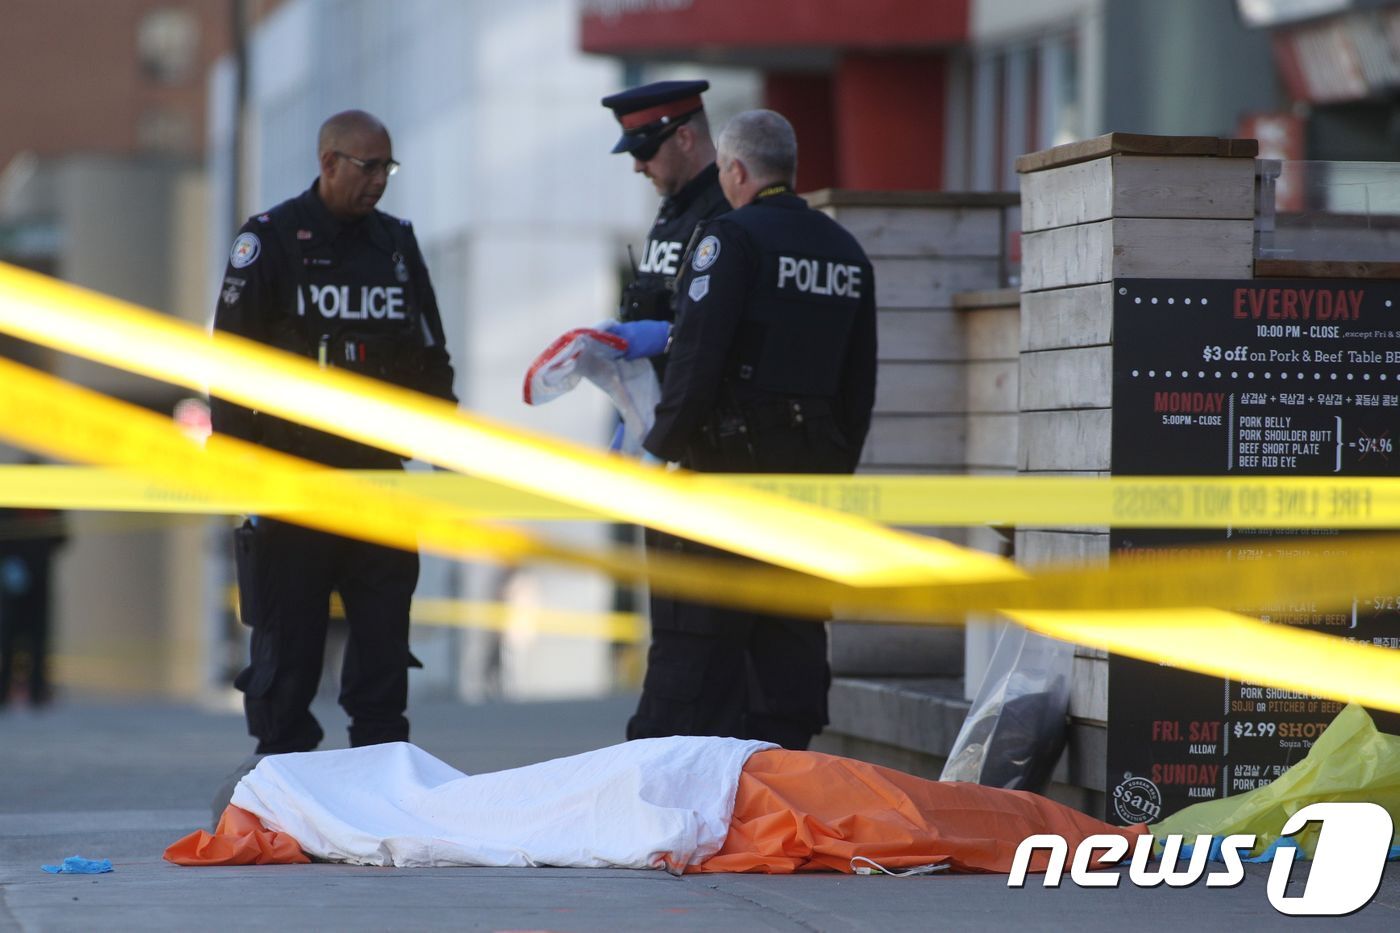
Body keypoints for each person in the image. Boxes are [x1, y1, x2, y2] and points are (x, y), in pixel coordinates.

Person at [209, 110, 457, 759]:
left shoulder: (397, 245)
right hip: (295, 480)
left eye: (387, 167)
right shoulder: (270, 241)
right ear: (328, 163)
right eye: (367, 166)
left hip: (378, 481)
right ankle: (285, 777)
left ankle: (381, 773)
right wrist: (241, 461)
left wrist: (451, 448)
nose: (379, 180)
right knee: (288, 649)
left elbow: (431, 358)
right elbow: (230, 365)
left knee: (382, 649)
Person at [629, 110, 878, 750]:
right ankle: (783, 808)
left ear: (736, 171)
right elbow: (859, 387)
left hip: (724, 486)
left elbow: (697, 361)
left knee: (696, 655)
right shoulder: (846, 252)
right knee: (787, 656)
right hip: (808, 493)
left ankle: (686, 813)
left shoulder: (728, 239)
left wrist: (657, 454)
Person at [601, 79, 730, 363]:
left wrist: (669, 337)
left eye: (644, 151)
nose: (637, 166)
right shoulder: (674, 207)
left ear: (684, 138)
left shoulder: (729, 209)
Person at [0, 504, 66, 708]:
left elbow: (62, 536)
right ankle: (7, 690)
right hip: (14, 570)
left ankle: (37, 690)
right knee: (9, 633)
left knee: (37, 635)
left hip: (38, 573)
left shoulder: (50, 500)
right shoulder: (10, 495)